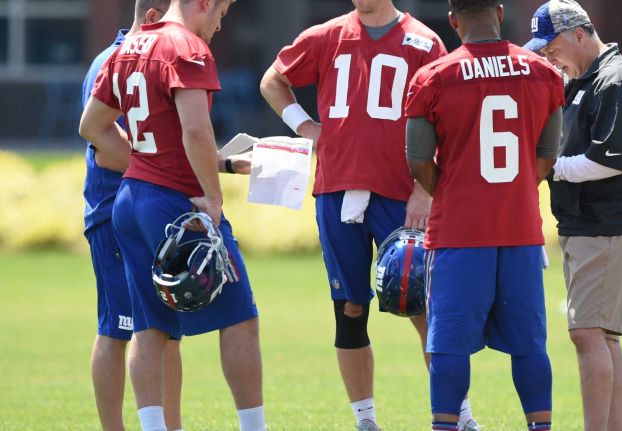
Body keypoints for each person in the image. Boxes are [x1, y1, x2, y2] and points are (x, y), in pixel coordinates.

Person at [260, 1, 480, 430]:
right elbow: (273, 81)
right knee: (349, 309)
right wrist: (306, 127)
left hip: (399, 191)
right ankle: (365, 421)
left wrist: (425, 187)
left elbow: (447, 119)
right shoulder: (326, 35)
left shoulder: (422, 40)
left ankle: (459, 416)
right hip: (337, 188)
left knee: (427, 307)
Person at [79, 1, 266, 430]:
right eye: (220, 13)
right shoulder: (186, 46)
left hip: (129, 202)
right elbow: (195, 130)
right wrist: (215, 201)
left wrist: (146, 165)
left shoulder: (132, 46)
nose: (220, 26)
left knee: (149, 328)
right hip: (172, 204)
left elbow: (92, 126)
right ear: (202, 4)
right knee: (241, 318)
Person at [404, 0, 565, 430]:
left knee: (449, 346)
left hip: (459, 233)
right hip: (520, 230)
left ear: (453, 20)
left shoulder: (433, 77)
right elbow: (548, 153)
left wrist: (454, 194)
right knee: (530, 345)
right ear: (499, 12)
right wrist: (510, 193)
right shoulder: (543, 72)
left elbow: (417, 160)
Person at [523, 1, 622, 430]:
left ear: (580, 33)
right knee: (603, 338)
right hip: (588, 223)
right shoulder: (582, 80)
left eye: (552, 46)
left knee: (588, 335)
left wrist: (544, 167)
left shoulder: (615, 81)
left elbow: (608, 160)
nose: (547, 56)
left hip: (608, 223)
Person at [80, 1, 183, 430]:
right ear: (157, 14)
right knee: (116, 328)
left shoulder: (156, 56)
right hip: (113, 210)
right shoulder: (115, 60)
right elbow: (104, 145)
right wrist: (164, 171)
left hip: (152, 207)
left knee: (166, 331)